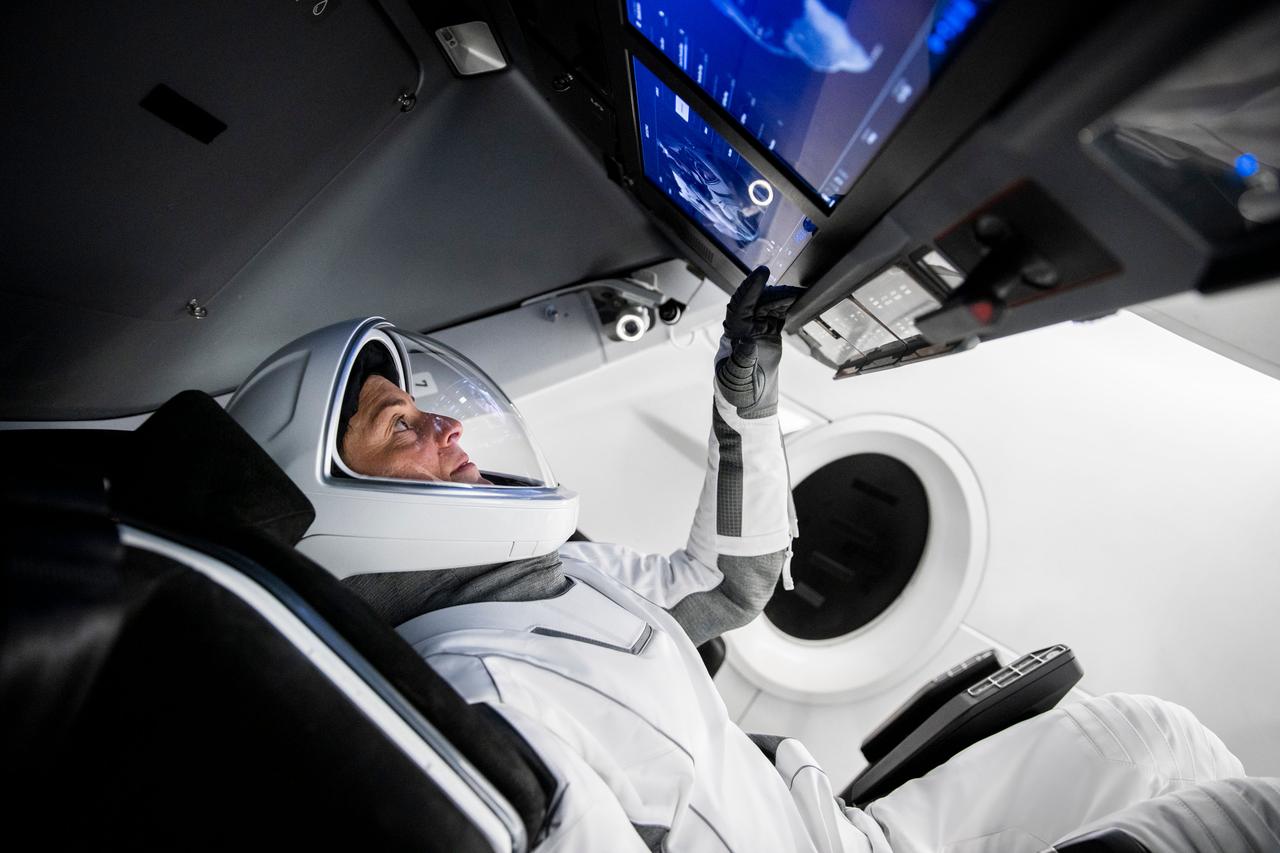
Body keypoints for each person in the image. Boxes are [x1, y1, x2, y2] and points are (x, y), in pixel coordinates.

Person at [228, 269, 1252, 852]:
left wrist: (746, 409)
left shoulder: (544, 577)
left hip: (834, 833)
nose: (445, 428)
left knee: (1150, 736)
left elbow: (731, 581)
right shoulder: (468, 700)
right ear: (333, 503)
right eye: (396, 425)